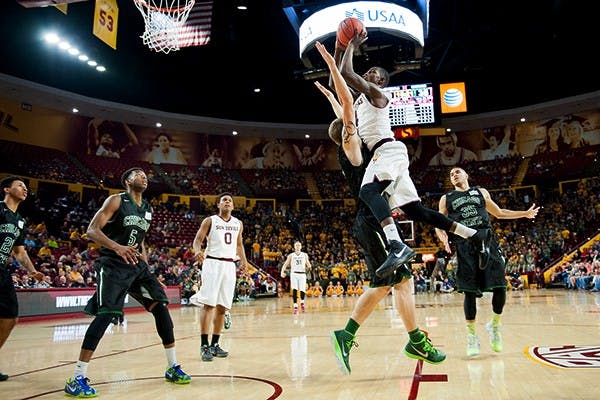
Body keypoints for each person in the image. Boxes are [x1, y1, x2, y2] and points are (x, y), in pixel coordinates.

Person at [314, 41, 445, 374]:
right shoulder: (353, 146)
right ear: (345, 132)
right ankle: (357, 336)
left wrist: (331, 88)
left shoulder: (360, 141)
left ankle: (408, 339)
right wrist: (334, 58)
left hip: (371, 218)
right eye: (346, 124)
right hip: (370, 221)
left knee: (397, 282)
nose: (349, 122)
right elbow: (345, 102)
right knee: (392, 282)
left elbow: (341, 101)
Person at [332, 32, 491, 279]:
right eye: (368, 71)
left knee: (368, 191)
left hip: (386, 149)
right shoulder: (359, 99)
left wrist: (350, 44)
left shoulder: (377, 94)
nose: (368, 74)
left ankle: (397, 245)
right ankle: (474, 234)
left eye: (373, 72)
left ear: (382, 81)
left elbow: (348, 75)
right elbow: (338, 81)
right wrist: (339, 47)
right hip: (390, 154)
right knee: (416, 211)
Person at [64, 168, 190, 397]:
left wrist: (149, 273)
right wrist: (117, 247)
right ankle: (77, 377)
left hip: (137, 267)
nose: (145, 177)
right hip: (112, 264)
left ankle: (172, 367)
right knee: (106, 315)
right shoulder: (116, 200)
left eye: (146, 175)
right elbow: (92, 230)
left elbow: (140, 243)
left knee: (161, 308)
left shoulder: (148, 209)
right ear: (128, 181)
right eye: (139, 174)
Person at [435, 167, 539, 357]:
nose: (454, 174)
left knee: (500, 286)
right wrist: (442, 237)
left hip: (487, 240)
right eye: (451, 174)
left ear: (467, 175)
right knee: (469, 291)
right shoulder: (447, 198)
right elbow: (439, 221)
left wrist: (523, 213)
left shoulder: (480, 192)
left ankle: (495, 325)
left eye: (458, 171)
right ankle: (472, 335)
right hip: (465, 244)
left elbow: (499, 213)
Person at [192, 192, 249, 362]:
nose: (227, 202)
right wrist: (197, 251)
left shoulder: (238, 223)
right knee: (209, 305)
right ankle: (204, 345)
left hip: (229, 266)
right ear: (218, 205)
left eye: (229, 200)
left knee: (223, 307)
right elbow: (197, 240)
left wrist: (244, 263)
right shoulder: (210, 220)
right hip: (212, 263)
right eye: (224, 200)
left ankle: (215, 344)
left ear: (233, 206)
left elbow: (239, 245)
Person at [0, 177, 44, 382]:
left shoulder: (19, 220)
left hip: (2, 271)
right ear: (6, 189)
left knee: (10, 318)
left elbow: (19, 252)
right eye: (19, 185)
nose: (24, 188)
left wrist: (32, 271)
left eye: (26, 186)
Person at [280, 241, 313, 314]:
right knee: (294, 289)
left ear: (301, 247)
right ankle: (295, 305)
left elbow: (308, 264)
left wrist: (309, 267)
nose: (298, 246)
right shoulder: (291, 255)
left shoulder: (305, 255)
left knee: (302, 289)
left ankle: (302, 302)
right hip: (294, 273)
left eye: (299, 245)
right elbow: (285, 264)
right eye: (296, 245)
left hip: (302, 274)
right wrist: (282, 272)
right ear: (294, 247)